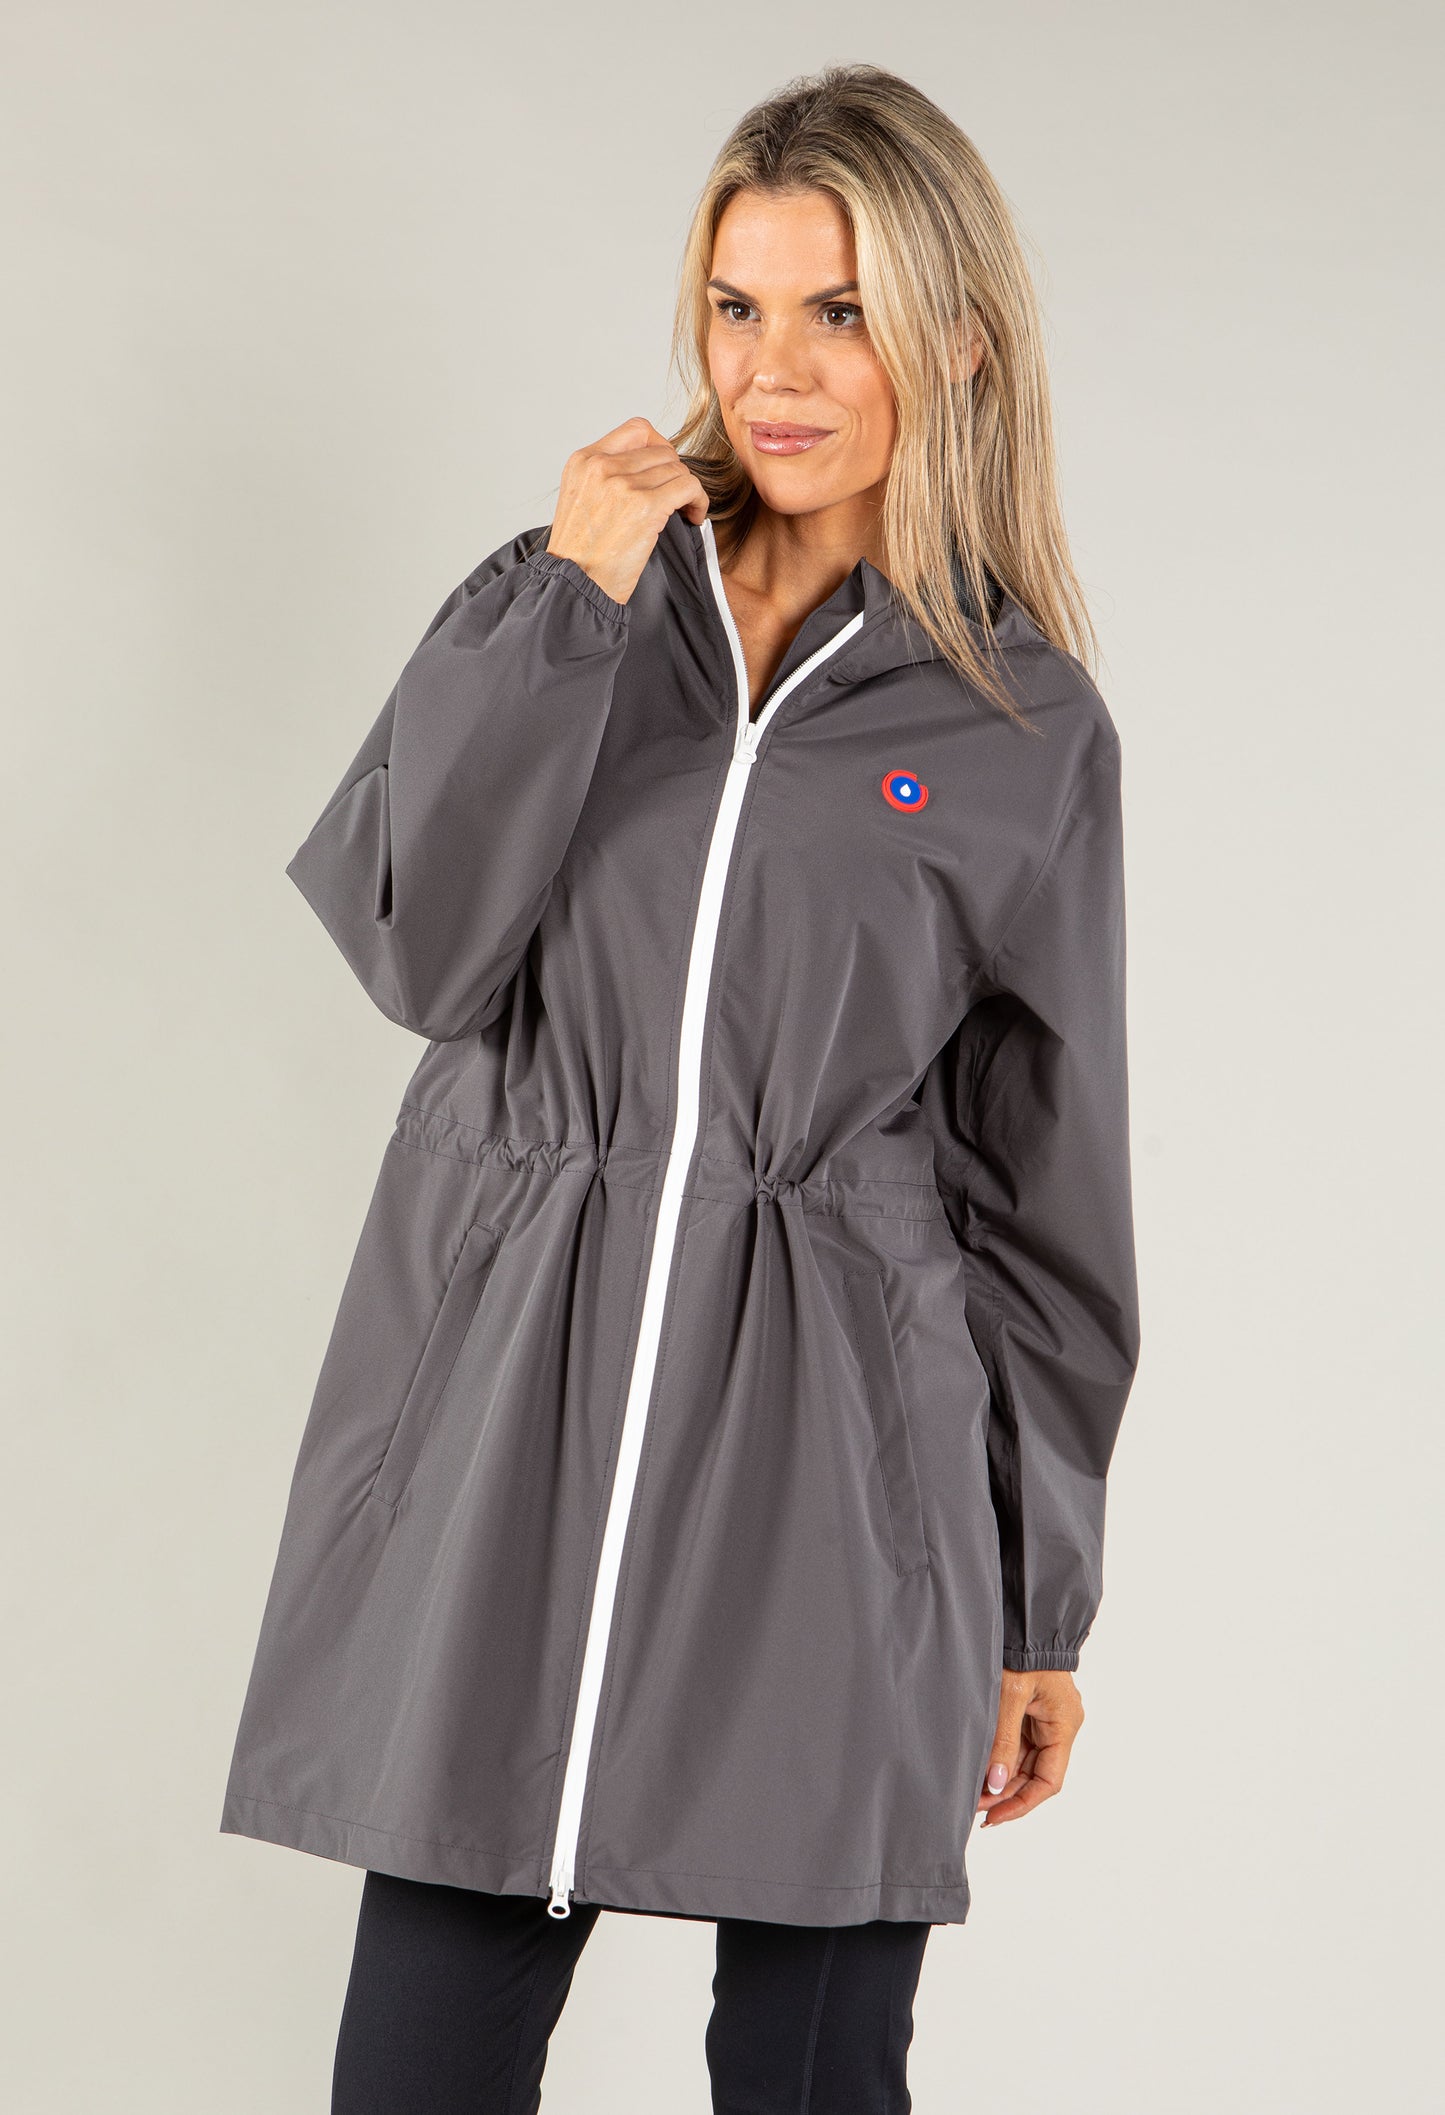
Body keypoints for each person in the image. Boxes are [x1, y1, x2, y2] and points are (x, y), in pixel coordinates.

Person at [220, 60, 1141, 2112]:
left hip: (844, 1461)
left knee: (810, 2080)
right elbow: (418, 948)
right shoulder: (563, 596)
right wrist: (562, 610)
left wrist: (1037, 1599)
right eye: (737, 307)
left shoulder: (1017, 725)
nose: (773, 370)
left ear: (955, 338)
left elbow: (1044, 1189)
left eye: (840, 311)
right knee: (417, 2072)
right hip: (513, 1426)